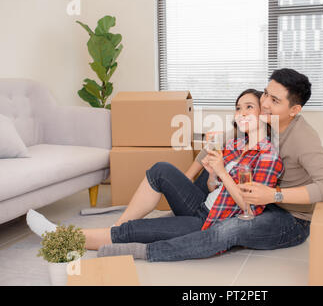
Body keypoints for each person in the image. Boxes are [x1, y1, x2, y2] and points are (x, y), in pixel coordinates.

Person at [26, 89, 284, 261]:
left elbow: (249, 207)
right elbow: (212, 186)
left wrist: (221, 173)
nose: (241, 112)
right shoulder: (235, 146)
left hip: (209, 223)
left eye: (249, 107)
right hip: (201, 205)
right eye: (238, 108)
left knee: (135, 232)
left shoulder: (268, 155)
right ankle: (116, 227)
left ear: (264, 114)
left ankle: (61, 238)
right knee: (160, 168)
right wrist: (212, 176)